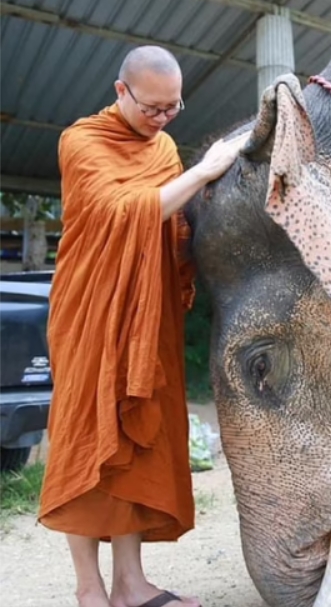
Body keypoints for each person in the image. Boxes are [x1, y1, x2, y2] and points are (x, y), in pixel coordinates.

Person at [38, 45, 247, 607]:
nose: (161, 120)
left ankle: (131, 583)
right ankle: (90, 589)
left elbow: (174, 223)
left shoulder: (165, 148)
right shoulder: (80, 141)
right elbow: (123, 212)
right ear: (121, 92)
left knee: (136, 437)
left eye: (172, 109)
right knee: (87, 441)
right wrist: (204, 171)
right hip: (90, 312)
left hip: (145, 315)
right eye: (151, 109)